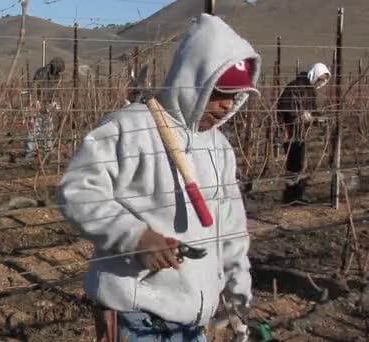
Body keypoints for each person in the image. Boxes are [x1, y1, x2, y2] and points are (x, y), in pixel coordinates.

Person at [57, 14, 260, 341]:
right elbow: (78, 191)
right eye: (219, 93)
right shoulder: (130, 128)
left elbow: (232, 227)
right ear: (194, 79)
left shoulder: (220, 147)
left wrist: (237, 291)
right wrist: (134, 237)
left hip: (195, 318)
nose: (226, 106)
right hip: (137, 316)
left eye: (235, 97)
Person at [277, 63, 331, 205]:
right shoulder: (295, 86)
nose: (320, 83)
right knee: (293, 164)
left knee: (300, 163)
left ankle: (297, 196)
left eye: (323, 81)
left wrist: (317, 117)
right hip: (290, 130)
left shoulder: (310, 91)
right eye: (319, 79)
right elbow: (286, 107)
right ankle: (290, 197)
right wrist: (301, 115)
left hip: (300, 132)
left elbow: (311, 110)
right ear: (314, 74)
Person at [24, 57, 65, 157]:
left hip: (48, 103)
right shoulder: (41, 73)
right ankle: (30, 151)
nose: (59, 73)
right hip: (38, 101)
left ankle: (48, 149)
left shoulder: (56, 76)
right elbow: (34, 87)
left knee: (48, 126)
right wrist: (35, 101)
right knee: (34, 127)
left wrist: (55, 102)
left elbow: (55, 90)